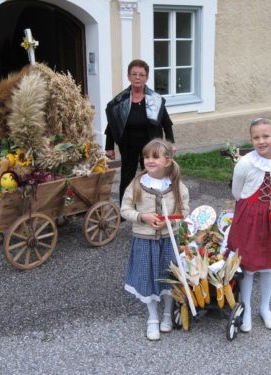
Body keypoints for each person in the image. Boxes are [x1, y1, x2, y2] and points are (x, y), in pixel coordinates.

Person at [227, 118, 271, 332]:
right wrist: (252, 209)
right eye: (256, 137)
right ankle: (246, 308)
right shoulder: (245, 163)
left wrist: (270, 208)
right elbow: (237, 192)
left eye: (266, 136)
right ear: (251, 139)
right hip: (249, 218)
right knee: (248, 265)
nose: (261, 141)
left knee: (270, 265)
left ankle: (265, 307)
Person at [120, 139, 189, 341]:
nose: (149, 160)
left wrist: (170, 222)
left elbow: (184, 212)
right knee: (148, 277)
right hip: (145, 240)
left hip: (169, 240)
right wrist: (143, 217)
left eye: (155, 157)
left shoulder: (177, 186)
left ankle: (167, 313)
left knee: (168, 276)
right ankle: (152, 318)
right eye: (147, 156)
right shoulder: (137, 185)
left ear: (167, 161)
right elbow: (125, 210)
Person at [105, 59, 175, 204]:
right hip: (128, 144)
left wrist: (170, 143)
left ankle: (153, 204)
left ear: (147, 78)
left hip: (151, 145)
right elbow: (112, 125)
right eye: (134, 74)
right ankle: (126, 207)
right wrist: (109, 147)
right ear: (129, 77)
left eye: (142, 75)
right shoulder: (119, 101)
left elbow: (166, 123)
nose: (138, 77)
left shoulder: (155, 100)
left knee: (153, 174)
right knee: (127, 176)